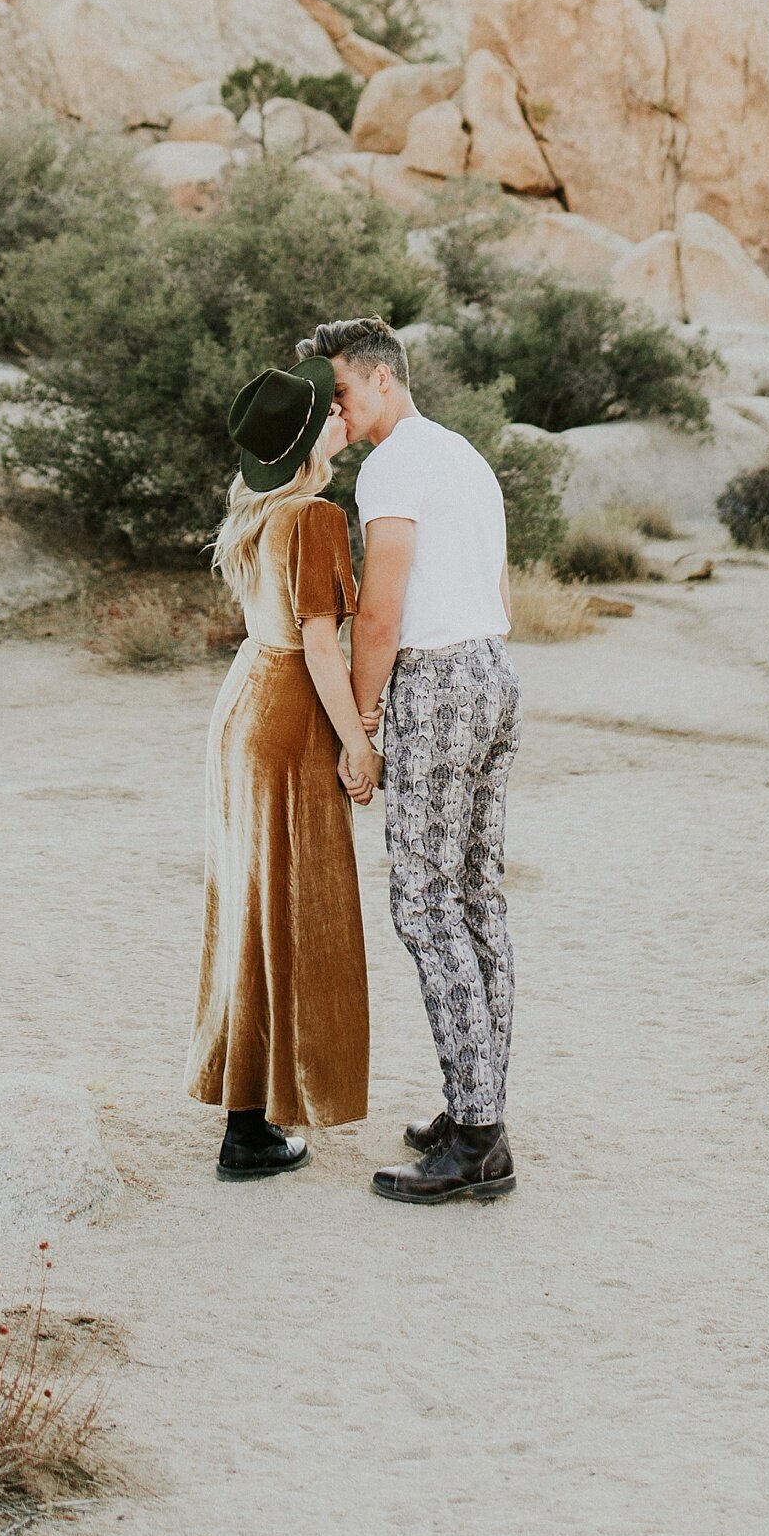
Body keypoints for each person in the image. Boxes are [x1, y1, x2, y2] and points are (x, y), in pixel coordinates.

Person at [297, 316, 521, 1205]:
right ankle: (481, 1106)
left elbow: (380, 608)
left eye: (343, 391)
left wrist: (364, 724)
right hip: (496, 669)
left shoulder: (391, 467)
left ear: (383, 381)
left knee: (423, 903)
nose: (338, 411)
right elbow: (502, 585)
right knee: (477, 896)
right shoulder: (464, 453)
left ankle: (475, 1142)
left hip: (436, 678)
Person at [185, 353, 379, 1181]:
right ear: (310, 442)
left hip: (241, 707)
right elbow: (324, 650)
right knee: (289, 906)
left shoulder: (263, 510)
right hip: (287, 714)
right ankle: (248, 1129)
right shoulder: (315, 517)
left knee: (248, 904)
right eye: (327, 410)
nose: (341, 412)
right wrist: (359, 741)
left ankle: (248, 1112)